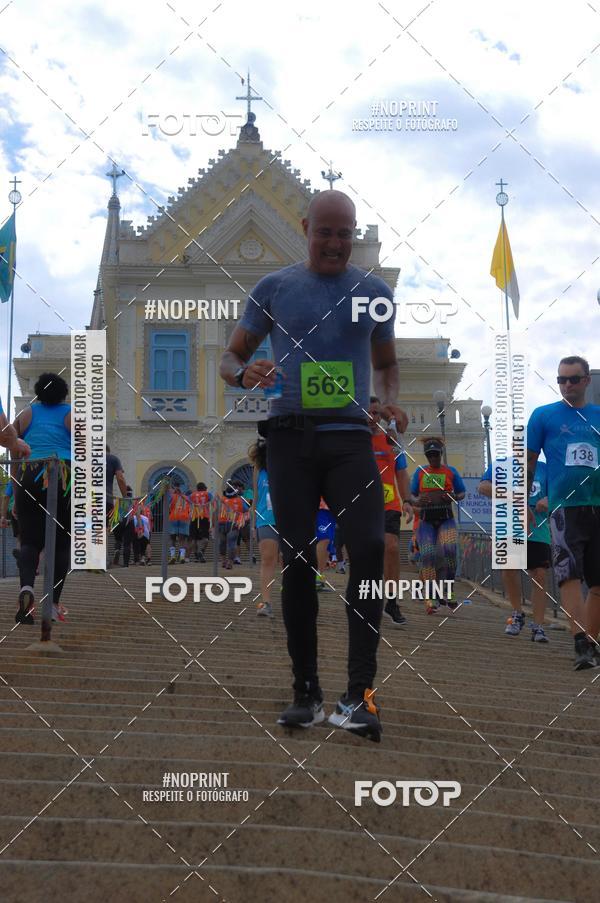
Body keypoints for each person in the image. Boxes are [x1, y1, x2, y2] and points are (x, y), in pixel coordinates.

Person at [219, 189, 407, 742]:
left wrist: (388, 398)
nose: (334, 242)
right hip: (290, 438)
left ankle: (361, 695)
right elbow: (231, 355)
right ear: (305, 228)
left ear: (354, 233)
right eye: (324, 232)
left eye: (344, 233)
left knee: (370, 547)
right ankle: (307, 692)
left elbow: (387, 364)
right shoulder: (274, 288)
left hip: (351, 438)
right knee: (298, 556)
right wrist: (242, 372)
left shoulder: (374, 293)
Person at [527, 356, 600, 670]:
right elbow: (528, 462)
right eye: (561, 380)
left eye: (573, 379)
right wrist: (524, 504)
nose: (567, 385)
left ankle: (591, 643)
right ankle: (580, 642)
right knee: (568, 574)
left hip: (597, 505)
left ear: (586, 381)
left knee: (598, 582)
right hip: (563, 509)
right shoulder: (543, 416)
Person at [11, 373, 71, 624]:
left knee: (29, 541)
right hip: (64, 475)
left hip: (30, 472)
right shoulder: (71, 414)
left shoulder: (27, 414)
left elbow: (12, 447)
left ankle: (26, 587)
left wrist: (15, 491)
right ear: (63, 393)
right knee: (60, 544)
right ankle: (53, 603)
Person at [478, 459, 552, 643]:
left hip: (538, 528)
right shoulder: (501, 465)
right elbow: (483, 487)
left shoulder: (544, 468)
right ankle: (517, 613)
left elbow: (561, 493)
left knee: (540, 575)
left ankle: (539, 625)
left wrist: (548, 499)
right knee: (510, 570)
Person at [408, 437, 465, 615]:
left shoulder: (451, 471)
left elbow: (462, 492)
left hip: (445, 518)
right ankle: (432, 595)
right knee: (428, 556)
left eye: (436, 454)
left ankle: (449, 590)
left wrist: (454, 497)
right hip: (426, 520)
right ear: (426, 456)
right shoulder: (419, 472)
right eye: (430, 455)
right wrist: (418, 500)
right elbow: (410, 495)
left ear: (441, 454)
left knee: (449, 551)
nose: (433, 458)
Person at [369, 396, 411, 627]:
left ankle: (392, 601)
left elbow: (401, 472)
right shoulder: (354, 439)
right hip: (362, 504)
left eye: (375, 413)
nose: (371, 418)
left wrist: (406, 500)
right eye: (366, 413)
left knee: (392, 548)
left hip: (389, 503)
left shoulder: (391, 440)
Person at [249, 439, 278, 618]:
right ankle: (266, 602)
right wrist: (253, 524)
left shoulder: (292, 465)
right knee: (268, 560)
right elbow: (257, 496)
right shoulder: (258, 470)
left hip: (290, 520)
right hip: (265, 519)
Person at [106, 445, 128, 566]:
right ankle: (102, 559)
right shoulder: (113, 459)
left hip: (88, 499)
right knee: (104, 529)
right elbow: (120, 478)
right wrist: (125, 497)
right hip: (106, 498)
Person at [218, 482, 245, 569]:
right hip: (234, 524)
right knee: (232, 544)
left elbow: (215, 511)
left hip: (222, 523)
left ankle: (223, 561)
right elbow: (246, 510)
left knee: (222, 543)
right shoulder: (240, 501)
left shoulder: (222, 500)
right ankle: (230, 562)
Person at [168, 480, 191, 564]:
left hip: (173, 517)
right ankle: (182, 557)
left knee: (172, 538)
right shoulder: (187, 497)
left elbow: (167, 504)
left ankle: (172, 556)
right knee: (182, 539)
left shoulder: (172, 496)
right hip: (184, 518)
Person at [315, 499, 336, 592]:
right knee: (324, 538)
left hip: (333, 509)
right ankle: (315, 576)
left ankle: (319, 578)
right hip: (320, 507)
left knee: (329, 542)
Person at [189, 482, 212, 562]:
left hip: (194, 517)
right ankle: (201, 551)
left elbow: (188, 502)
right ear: (204, 488)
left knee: (194, 539)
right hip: (204, 517)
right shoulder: (207, 494)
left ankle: (196, 555)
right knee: (205, 538)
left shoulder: (192, 495)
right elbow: (213, 502)